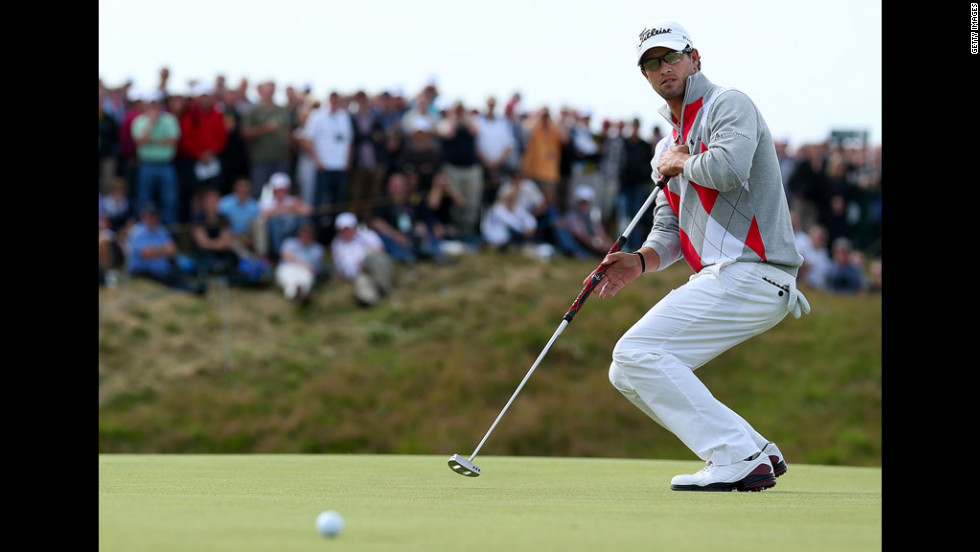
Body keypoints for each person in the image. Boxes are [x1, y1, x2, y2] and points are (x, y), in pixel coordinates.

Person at [590, 20, 810, 492]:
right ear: (644, 75)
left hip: (756, 271)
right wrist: (641, 260)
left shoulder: (729, 104)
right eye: (651, 63)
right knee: (625, 370)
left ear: (694, 58)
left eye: (670, 57)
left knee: (636, 351)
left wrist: (679, 163)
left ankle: (735, 455)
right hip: (727, 277)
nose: (662, 68)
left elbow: (728, 169)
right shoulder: (665, 146)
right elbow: (670, 227)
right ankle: (755, 450)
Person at [300, 91, 354, 228]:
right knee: (319, 202)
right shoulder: (317, 116)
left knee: (339, 203)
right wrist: (318, 161)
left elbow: (349, 141)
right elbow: (307, 140)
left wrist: (348, 161)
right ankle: (317, 233)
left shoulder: (344, 117)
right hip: (323, 167)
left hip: (340, 167)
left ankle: (338, 234)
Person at [126, 204, 207, 295]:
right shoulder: (137, 232)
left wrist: (156, 251)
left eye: (156, 217)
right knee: (165, 281)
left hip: (162, 270)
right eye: (151, 216)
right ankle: (188, 290)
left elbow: (172, 250)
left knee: (179, 272)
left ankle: (192, 288)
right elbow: (146, 253)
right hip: (143, 272)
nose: (153, 220)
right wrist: (163, 250)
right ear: (144, 216)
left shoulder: (161, 229)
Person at [131, 90, 181, 225]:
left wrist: (151, 141)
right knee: (144, 199)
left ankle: (169, 228)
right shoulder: (139, 121)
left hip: (166, 164)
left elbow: (172, 140)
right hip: (147, 164)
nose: (154, 108)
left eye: (156, 104)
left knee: (169, 199)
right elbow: (140, 140)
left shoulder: (170, 120)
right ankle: (144, 227)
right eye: (151, 105)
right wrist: (152, 123)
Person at [437, 100, 483, 240]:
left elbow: (475, 131)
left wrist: (467, 117)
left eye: (461, 110)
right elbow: (448, 133)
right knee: (457, 202)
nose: (459, 112)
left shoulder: (470, 122)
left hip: (471, 169)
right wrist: (453, 118)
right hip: (452, 169)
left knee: (471, 203)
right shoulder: (445, 122)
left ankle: (467, 232)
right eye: (457, 109)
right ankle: (455, 232)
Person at [330, 211, 394, 307]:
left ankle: (384, 289)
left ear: (354, 226)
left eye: (348, 228)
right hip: (357, 273)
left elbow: (380, 251)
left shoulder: (367, 235)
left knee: (376, 260)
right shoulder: (336, 245)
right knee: (366, 296)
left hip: (374, 265)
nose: (345, 232)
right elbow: (342, 267)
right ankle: (375, 301)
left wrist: (365, 262)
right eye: (342, 229)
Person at [240, 80, 292, 198]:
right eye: (267, 90)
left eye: (272, 90)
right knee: (258, 192)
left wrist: (288, 153)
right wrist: (265, 128)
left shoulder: (282, 110)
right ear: (261, 92)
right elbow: (245, 132)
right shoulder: (253, 110)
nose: (270, 93)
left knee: (281, 192)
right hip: (260, 160)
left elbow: (287, 133)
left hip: (280, 159)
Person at [257, 172, 313, 260]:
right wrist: (286, 208)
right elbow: (263, 213)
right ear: (273, 190)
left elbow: (308, 211)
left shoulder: (292, 200)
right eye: (278, 190)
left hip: (291, 228)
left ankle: (300, 250)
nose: (281, 193)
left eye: (283, 190)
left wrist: (292, 208)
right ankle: (279, 254)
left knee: (303, 221)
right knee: (274, 223)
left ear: (287, 190)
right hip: (274, 232)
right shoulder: (266, 200)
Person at [275, 220, 327, 305]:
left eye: (308, 233)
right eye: (304, 232)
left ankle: (298, 295)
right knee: (289, 278)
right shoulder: (290, 242)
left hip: (305, 271)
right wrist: (303, 263)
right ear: (299, 233)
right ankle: (297, 295)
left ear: (313, 235)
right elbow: (286, 255)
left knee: (305, 279)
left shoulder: (317, 248)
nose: (306, 235)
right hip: (288, 267)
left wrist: (306, 267)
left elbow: (316, 268)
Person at [563, 185, 613, 258]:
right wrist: (598, 246)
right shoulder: (572, 216)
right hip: (580, 245)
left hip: (593, 241)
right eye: (581, 202)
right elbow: (580, 235)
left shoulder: (594, 213)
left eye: (585, 202)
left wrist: (611, 246)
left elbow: (600, 232)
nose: (583, 205)